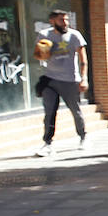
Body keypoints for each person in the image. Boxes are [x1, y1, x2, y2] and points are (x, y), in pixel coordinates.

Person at [35, 8, 89, 156]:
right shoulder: (44, 35)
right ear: (52, 21)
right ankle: (48, 143)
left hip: (70, 80)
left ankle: (83, 136)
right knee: (50, 112)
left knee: (75, 110)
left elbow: (83, 58)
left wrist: (84, 78)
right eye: (61, 20)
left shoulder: (75, 35)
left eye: (66, 19)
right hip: (51, 79)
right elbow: (39, 57)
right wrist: (43, 52)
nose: (65, 23)